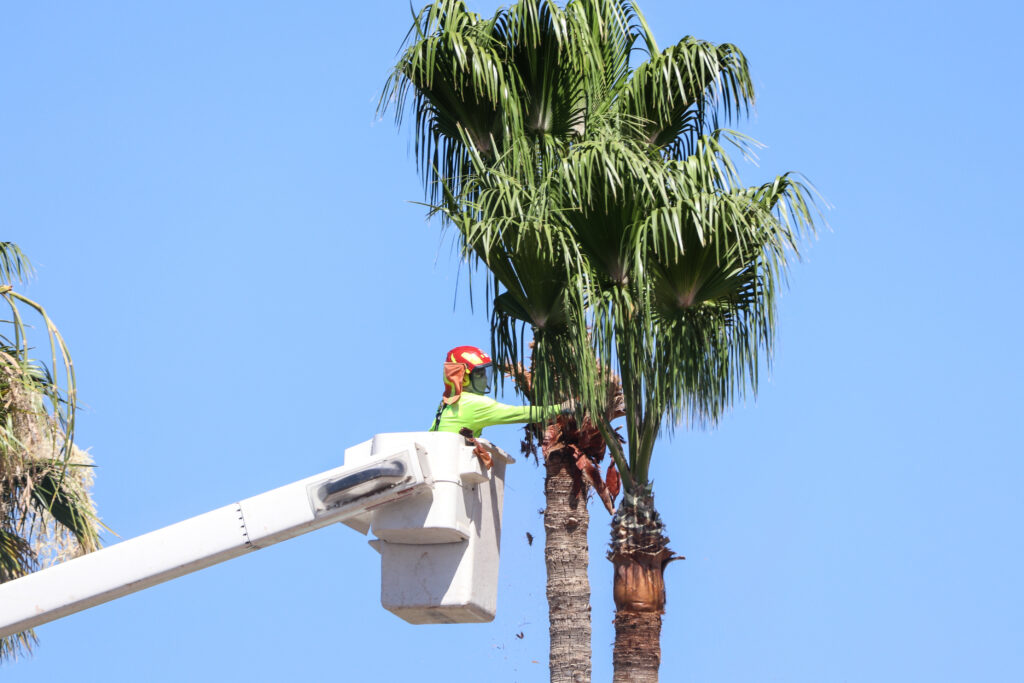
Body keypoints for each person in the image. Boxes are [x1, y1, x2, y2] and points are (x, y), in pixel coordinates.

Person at [429, 345, 569, 437]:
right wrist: (561, 408)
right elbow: (520, 413)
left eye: (486, 373)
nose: (485, 379)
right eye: (480, 374)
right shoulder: (475, 403)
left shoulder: (448, 402)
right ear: (463, 378)